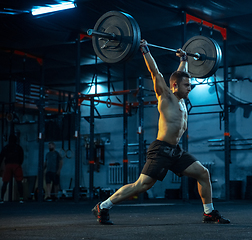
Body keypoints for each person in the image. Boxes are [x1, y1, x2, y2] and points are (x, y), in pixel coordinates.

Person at [92, 40, 230, 225]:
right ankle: (103, 206)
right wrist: (146, 50)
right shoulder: (166, 97)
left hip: (175, 151)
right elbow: (155, 73)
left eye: (190, 85)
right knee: (141, 185)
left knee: (203, 173)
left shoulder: (181, 100)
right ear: (174, 86)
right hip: (161, 150)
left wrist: (184, 59)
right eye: (187, 85)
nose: (190, 88)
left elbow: (180, 74)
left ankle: (209, 213)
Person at [0, 134, 24, 203]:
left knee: (5, 182)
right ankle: (21, 198)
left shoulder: (6, 147)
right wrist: (19, 163)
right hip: (16, 165)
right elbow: (21, 157)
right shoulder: (18, 147)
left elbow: (1, 157)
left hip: (8, 165)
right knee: (19, 181)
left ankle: (1, 198)